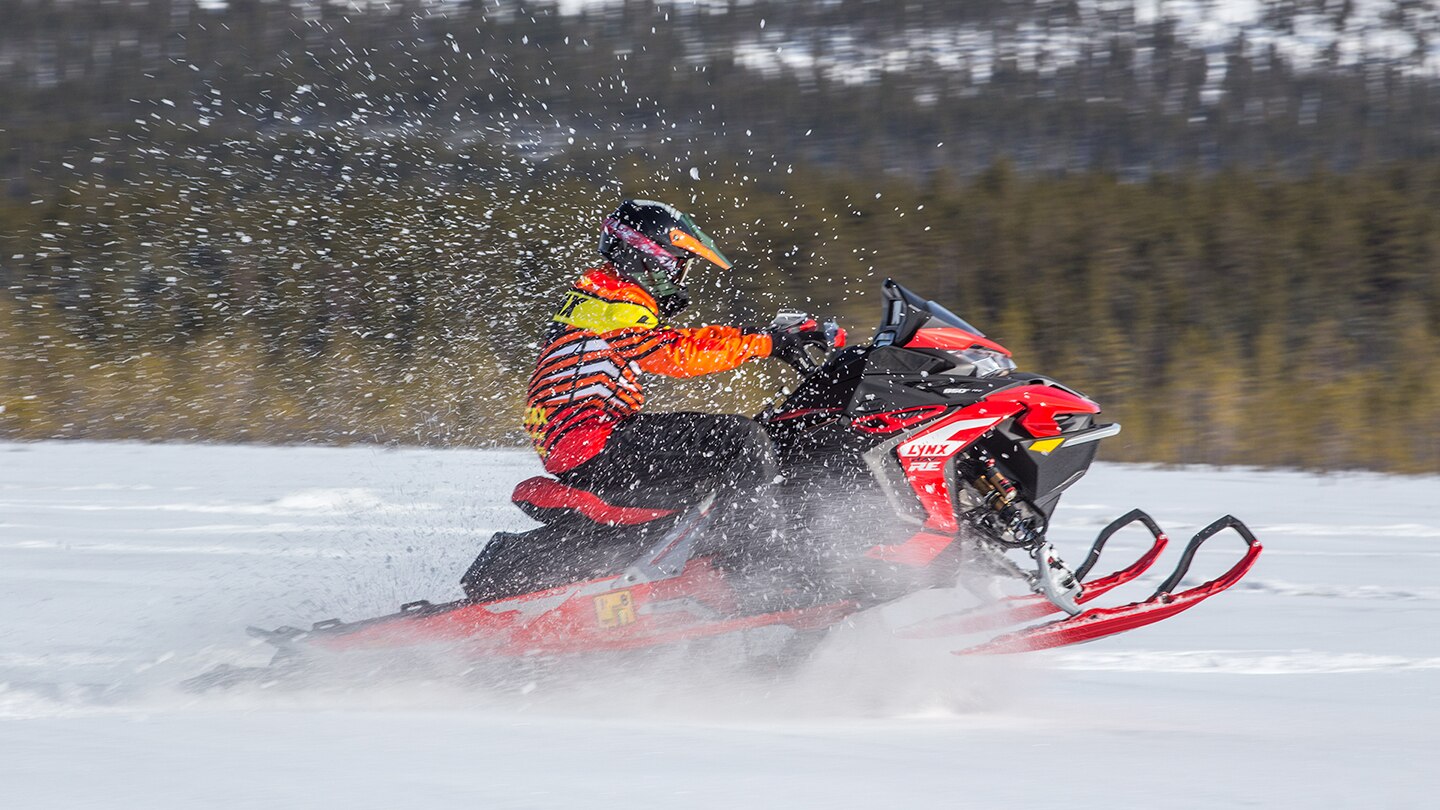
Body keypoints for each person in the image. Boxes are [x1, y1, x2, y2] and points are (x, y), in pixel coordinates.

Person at [523, 199, 828, 514]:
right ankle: (751, 552)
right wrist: (765, 344)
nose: (678, 280)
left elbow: (677, 340)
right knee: (744, 439)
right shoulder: (615, 300)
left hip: (583, 442)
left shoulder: (601, 292)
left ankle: (703, 548)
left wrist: (756, 335)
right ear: (650, 260)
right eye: (677, 266)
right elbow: (675, 355)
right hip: (594, 442)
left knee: (728, 449)